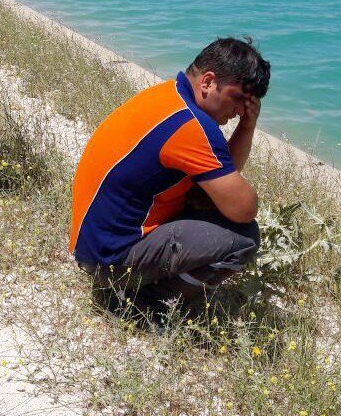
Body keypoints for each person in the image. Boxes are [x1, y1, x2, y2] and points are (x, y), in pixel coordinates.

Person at [70, 37, 270, 311]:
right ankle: (154, 305)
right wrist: (247, 128)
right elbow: (243, 208)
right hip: (110, 259)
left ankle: (146, 287)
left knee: (209, 201)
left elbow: (220, 193)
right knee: (243, 237)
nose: (238, 112)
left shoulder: (167, 95)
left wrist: (247, 126)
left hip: (93, 244)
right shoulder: (190, 125)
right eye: (237, 99)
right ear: (208, 82)